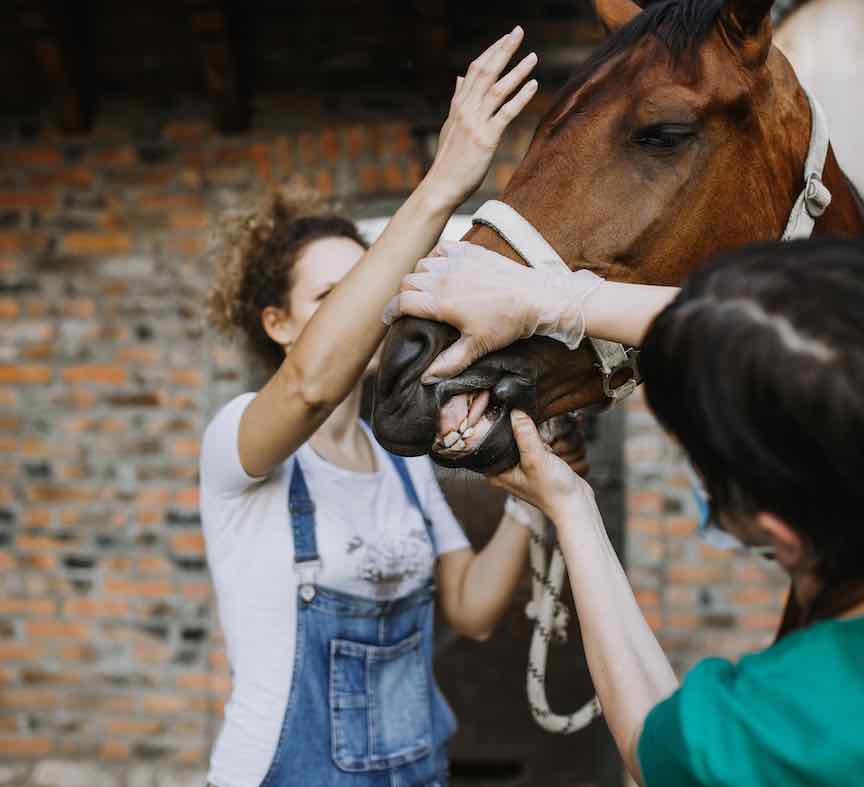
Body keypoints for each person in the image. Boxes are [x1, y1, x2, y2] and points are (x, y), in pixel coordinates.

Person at [388, 238, 864, 786]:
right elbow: (842, 359)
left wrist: (570, 508)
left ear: (775, 535)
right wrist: (550, 301)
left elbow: (649, 737)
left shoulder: (779, 724)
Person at [198, 29, 586, 787]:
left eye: (371, 288)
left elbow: (471, 610)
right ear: (277, 324)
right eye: (331, 295)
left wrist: (531, 502)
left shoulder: (401, 465)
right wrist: (443, 182)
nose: (365, 310)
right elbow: (312, 384)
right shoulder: (238, 442)